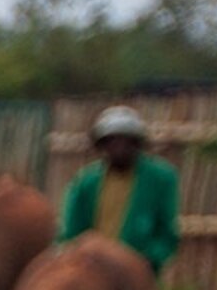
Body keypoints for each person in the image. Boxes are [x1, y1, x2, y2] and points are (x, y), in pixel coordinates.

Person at [60, 104, 182, 275]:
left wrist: (151, 258)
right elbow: (70, 230)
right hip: (90, 268)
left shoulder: (160, 179)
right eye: (112, 142)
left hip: (136, 270)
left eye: (127, 142)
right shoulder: (84, 182)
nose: (119, 148)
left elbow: (167, 232)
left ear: (137, 144)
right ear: (102, 145)